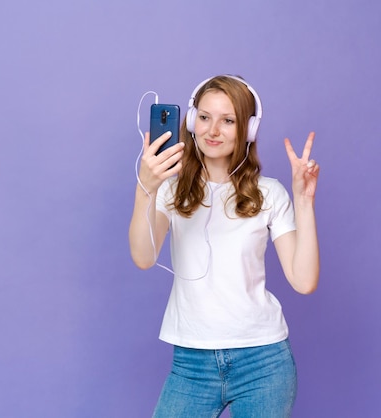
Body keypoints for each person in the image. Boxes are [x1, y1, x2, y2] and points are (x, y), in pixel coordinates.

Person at [129, 75, 320, 417]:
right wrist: (146, 186)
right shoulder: (169, 193)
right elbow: (144, 258)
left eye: (228, 120)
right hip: (192, 365)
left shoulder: (270, 193)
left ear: (248, 129)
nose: (212, 130)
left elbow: (303, 281)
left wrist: (304, 201)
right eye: (204, 117)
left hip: (262, 362)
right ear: (190, 121)